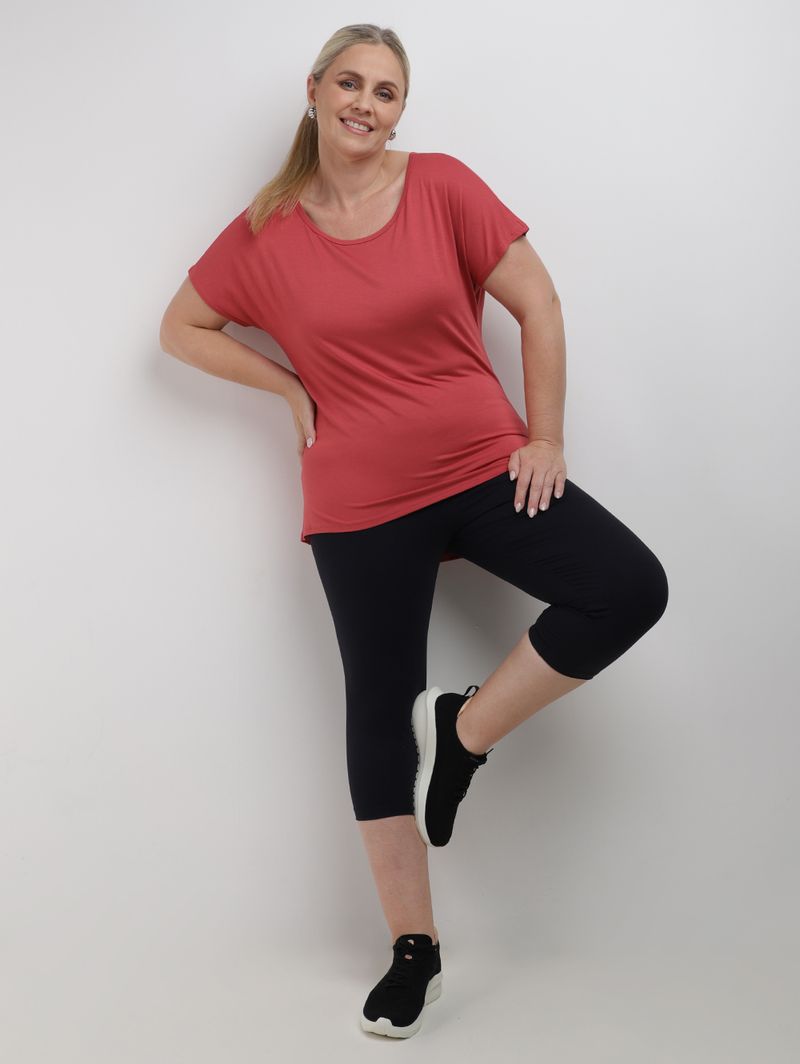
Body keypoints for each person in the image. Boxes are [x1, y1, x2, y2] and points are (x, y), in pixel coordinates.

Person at [160, 22, 669, 1041]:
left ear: (400, 111)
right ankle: (413, 951)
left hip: (482, 464)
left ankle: (464, 732)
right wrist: (288, 386)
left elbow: (538, 303)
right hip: (359, 495)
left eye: (385, 91)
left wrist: (545, 436)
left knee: (625, 586)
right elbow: (180, 327)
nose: (365, 103)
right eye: (349, 82)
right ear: (314, 91)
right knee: (375, 706)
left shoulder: (442, 186)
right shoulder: (264, 229)